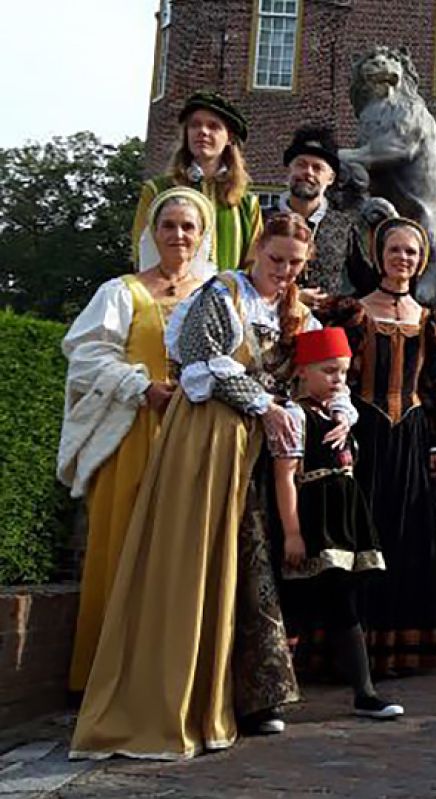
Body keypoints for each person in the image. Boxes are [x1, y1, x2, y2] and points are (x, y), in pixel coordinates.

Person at [72, 213, 342, 759]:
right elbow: (200, 363)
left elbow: (320, 371)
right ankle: (175, 700)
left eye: (294, 264)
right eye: (276, 260)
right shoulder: (222, 293)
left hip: (256, 451)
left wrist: (340, 413)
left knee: (245, 565)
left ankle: (242, 699)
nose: (284, 272)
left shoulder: (295, 313)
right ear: (256, 250)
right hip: (207, 439)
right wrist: (264, 403)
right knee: (193, 562)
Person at [58, 187, 215, 693]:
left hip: (194, 441)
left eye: (188, 226)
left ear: (203, 233)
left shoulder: (217, 290)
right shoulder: (121, 291)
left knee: (182, 555)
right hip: (133, 437)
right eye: (168, 225)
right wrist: (141, 386)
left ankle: (169, 682)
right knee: (122, 550)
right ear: (153, 231)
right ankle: (103, 678)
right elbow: (84, 355)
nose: (178, 235)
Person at [320, 217, 436, 674]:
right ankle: (351, 653)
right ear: (379, 255)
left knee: (407, 540)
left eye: (412, 253)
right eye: (395, 250)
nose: (404, 259)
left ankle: (401, 648)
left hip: (412, 436)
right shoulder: (351, 313)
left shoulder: (433, 319)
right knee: (360, 538)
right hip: (364, 436)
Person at [271, 327, 404, 719]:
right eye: (328, 371)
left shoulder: (338, 414)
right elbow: (285, 476)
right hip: (313, 517)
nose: (338, 380)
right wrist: (293, 533)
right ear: (303, 371)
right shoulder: (295, 416)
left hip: (344, 517)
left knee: (344, 605)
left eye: (343, 372)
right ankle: (273, 698)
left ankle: (364, 692)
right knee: (295, 604)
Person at [129, 90, 261, 272]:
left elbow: (254, 264)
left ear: (229, 138)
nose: (203, 132)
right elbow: (142, 252)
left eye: (213, 126)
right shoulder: (158, 191)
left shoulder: (246, 203)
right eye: (195, 125)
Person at [279, 124, 363, 305]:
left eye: (317, 168)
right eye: (301, 164)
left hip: (323, 328)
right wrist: (292, 297)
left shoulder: (345, 226)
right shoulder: (262, 221)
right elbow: (246, 278)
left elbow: (365, 282)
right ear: (290, 168)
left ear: (330, 178)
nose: (308, 172)